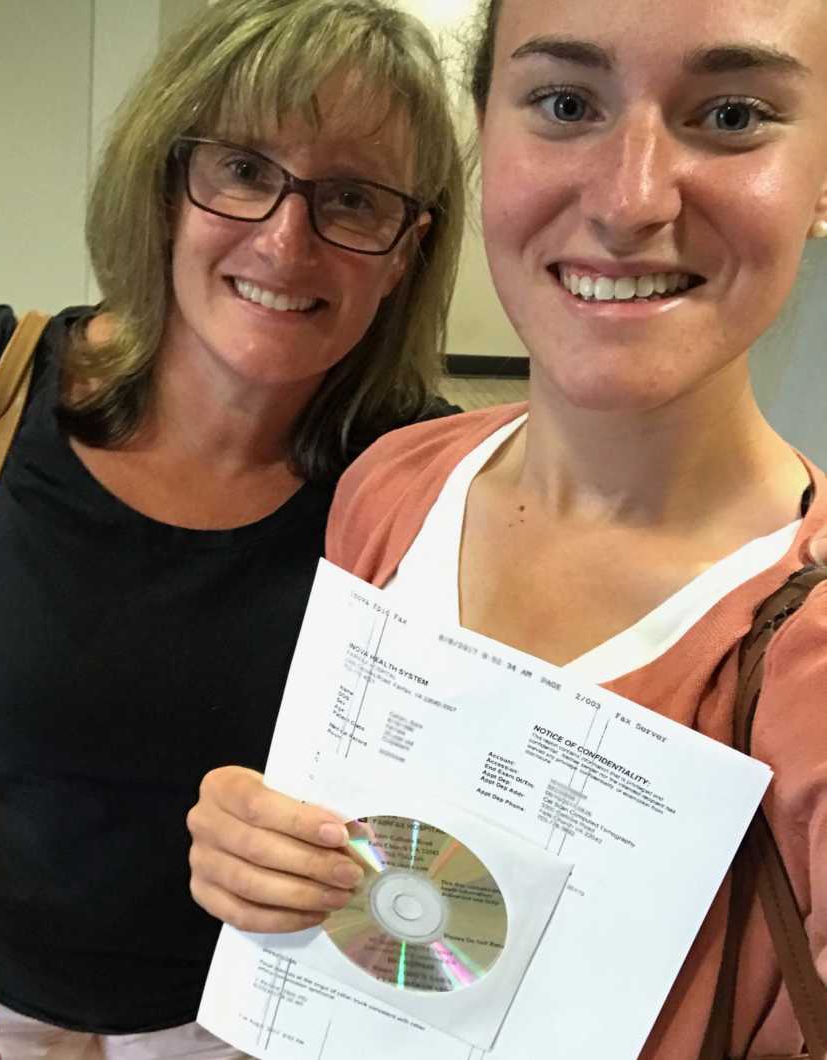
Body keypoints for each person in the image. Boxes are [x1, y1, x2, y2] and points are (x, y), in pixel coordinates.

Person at [187, 0, 827, 1055]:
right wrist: (254, 850)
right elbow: (358, 881)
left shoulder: (804, 663)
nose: (630, 202)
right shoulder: (393, 486)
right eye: (567, 102)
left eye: (733, 114)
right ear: (488, 133)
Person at [0, 0, 465, 1056]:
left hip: (255, 1027)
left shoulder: (428, 485)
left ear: (407, 249)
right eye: (245, 171)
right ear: (169, 184)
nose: (284, 238)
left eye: (352, 199)